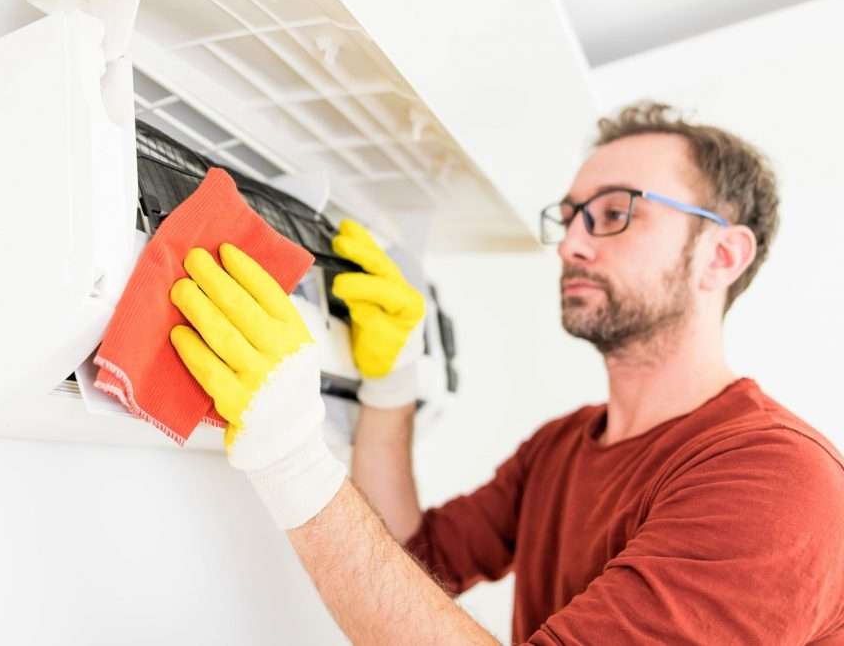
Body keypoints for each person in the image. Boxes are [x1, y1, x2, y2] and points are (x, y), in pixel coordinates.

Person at [167, 102, 844, 645]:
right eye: (573, 216)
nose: (573, 243)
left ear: (721, 255)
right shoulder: (561, 448)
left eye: (615, 213)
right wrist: (391, 388)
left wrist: (290, 458)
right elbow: (408, 558)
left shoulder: (777, 481)